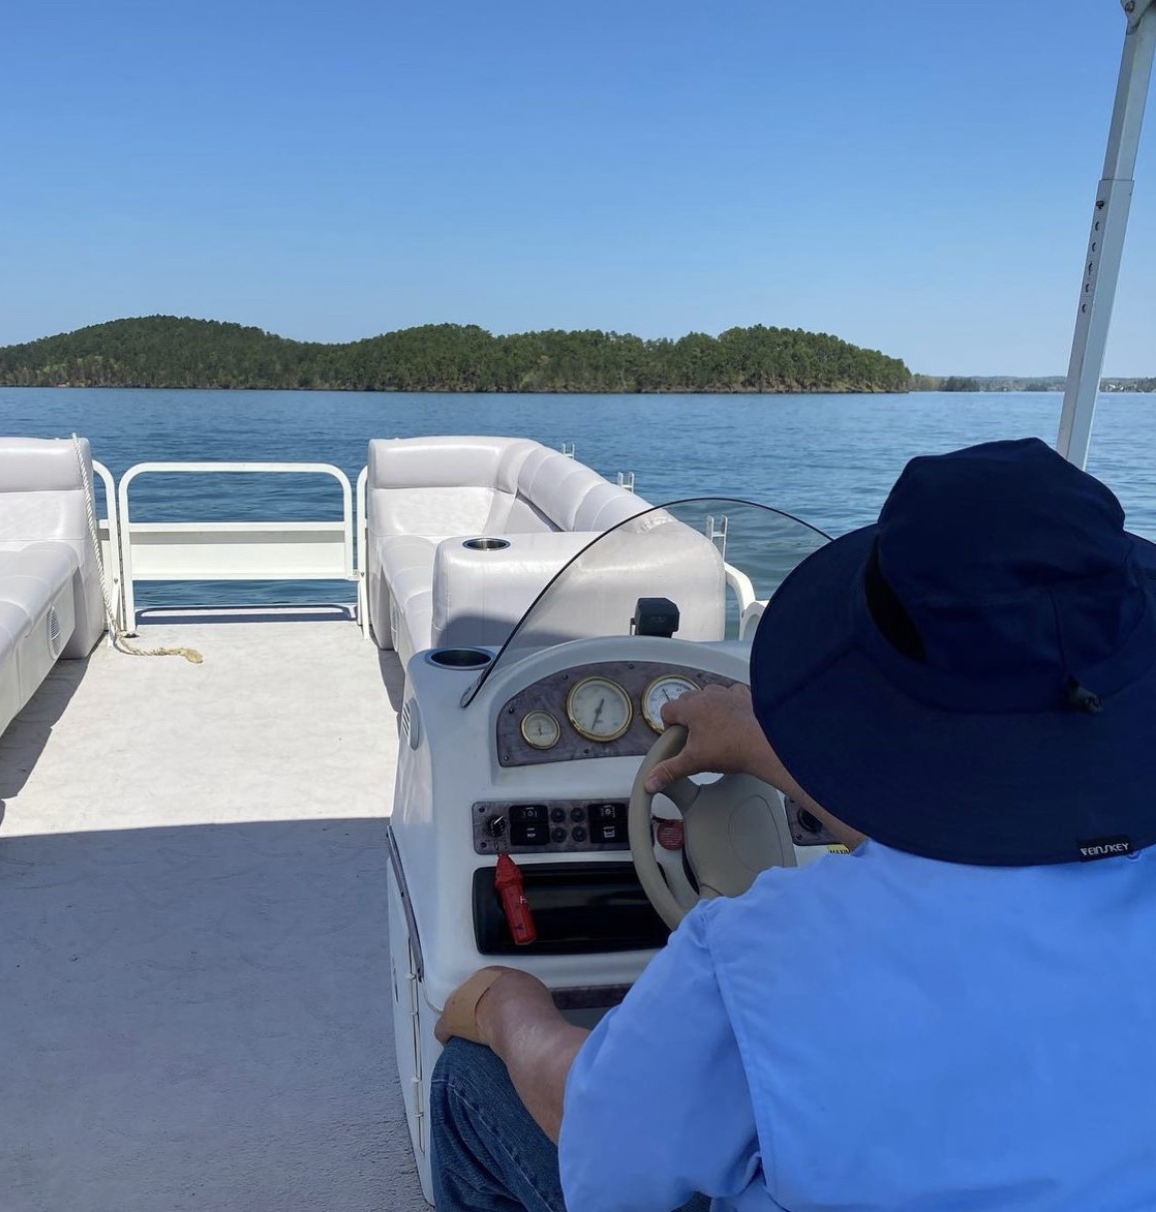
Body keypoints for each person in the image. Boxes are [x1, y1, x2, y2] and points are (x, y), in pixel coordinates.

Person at [429, 438, 1156, 1212]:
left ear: (864, 686)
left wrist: (510, 1008)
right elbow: (988, 858)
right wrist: (778, 754)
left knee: (467, 1084)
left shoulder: (755, 955)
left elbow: (612, 1165)